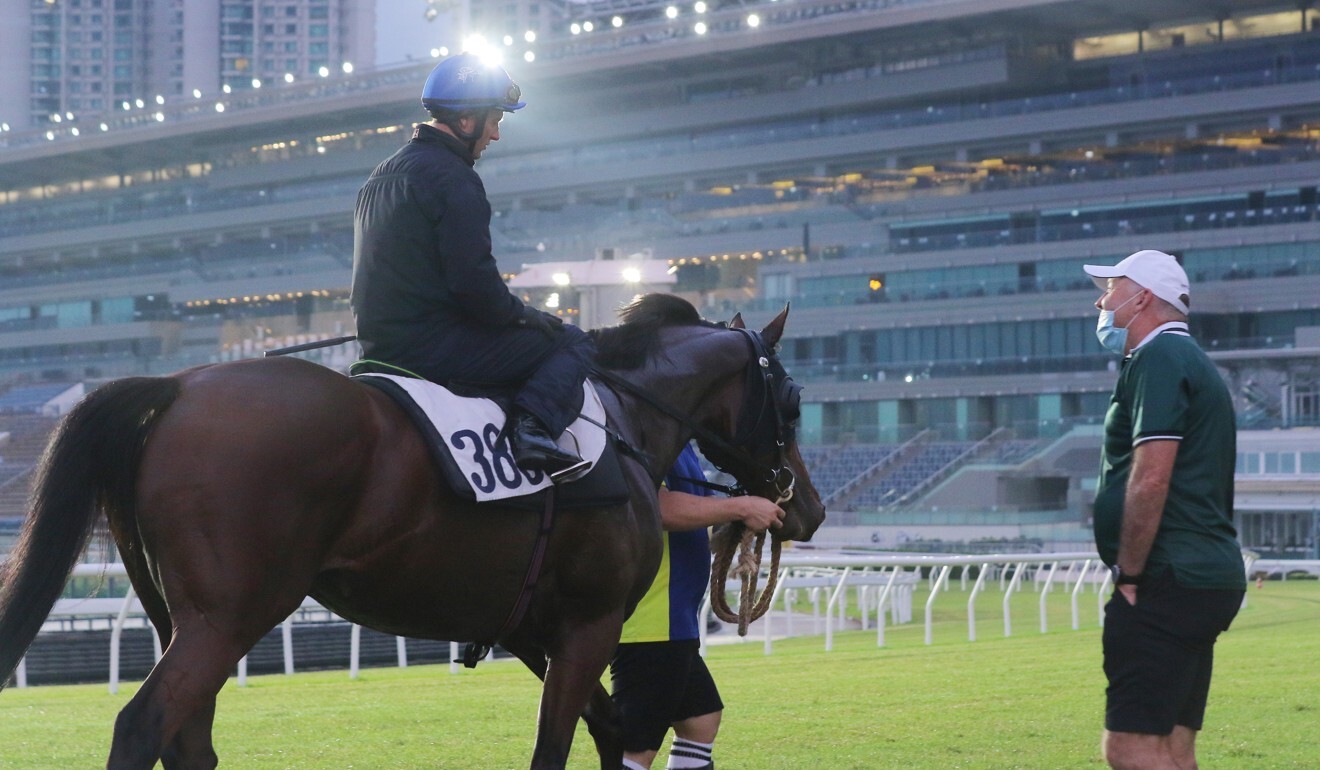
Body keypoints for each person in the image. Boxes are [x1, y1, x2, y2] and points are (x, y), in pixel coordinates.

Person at [350, 53, 594, 476]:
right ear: (467, 122)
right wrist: (529, 318)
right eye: (495, 120)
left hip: (378, 345)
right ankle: (531, 432)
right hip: (434, 349)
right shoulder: (454, 176)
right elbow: (474, 287)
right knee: (572, 341)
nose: (495, 135)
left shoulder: (381, 173)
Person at [1083, 249, 1246, 770]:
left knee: (1130, 748)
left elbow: (1150, 476)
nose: (1102, 301)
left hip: (1166, 576)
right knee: (1173, 747)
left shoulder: (1159, 358)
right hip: (1205, 573)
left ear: (1142, 298)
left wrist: (1130, 573)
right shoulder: (1191, 360)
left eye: (1111, 290)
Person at [610, 444, 785, 770]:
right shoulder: (645, 433)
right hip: (651, 621)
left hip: (673, 619)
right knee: (636, 748)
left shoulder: (680, 445)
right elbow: (658, 506)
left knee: (701, 720)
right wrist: (740, 508)